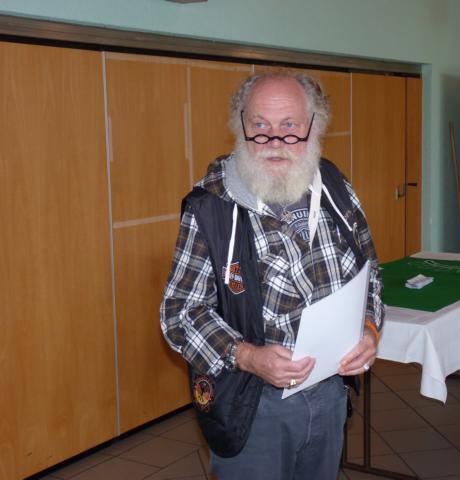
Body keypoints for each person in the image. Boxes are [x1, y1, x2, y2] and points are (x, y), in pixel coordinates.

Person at [160, 70, 383, 480]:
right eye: (260, 126)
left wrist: (369, 329)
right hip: (255, 404)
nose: (275, 141)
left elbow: (370, 275)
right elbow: (180, 312)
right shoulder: (211, 207)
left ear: (314, 126)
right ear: (240, 126)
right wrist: (247, 356)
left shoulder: (335, 187)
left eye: (290, 127)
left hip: (331, 393)